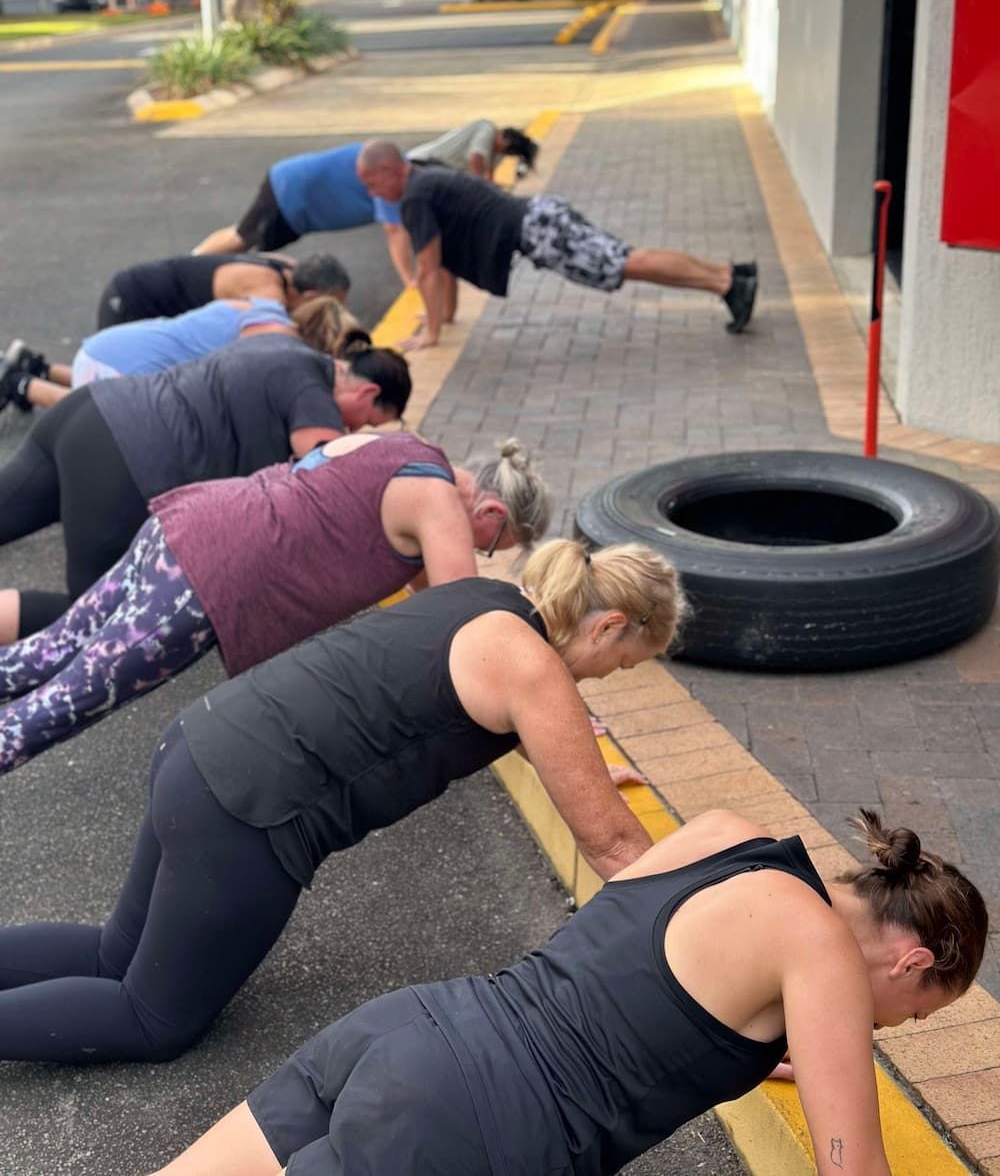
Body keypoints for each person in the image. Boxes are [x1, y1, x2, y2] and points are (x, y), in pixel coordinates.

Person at [0, 539, 683, 1064]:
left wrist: (584, 768)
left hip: (200, 745)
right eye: (621, 664)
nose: (605, 677)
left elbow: (510, 718)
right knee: (152, 1016)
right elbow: (615, 847)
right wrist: (703, 958)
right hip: (244, 812)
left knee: (112, 957)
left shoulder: (490, 595)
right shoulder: (531, 664)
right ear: (608, 626)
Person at [149, 808, 987, 1176]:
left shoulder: (732, 836)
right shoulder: (824, 954)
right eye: (914, 1015)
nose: (887, 1027)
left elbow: (631, 978)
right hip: (468, 1132)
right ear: (913, 961)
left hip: (415, 1029)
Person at [0, 434, 550, 773]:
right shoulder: (439, 505)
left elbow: (421, 587)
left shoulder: (404, 447)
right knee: (57, 710)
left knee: (46, 655)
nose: (481, 553)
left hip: (184, 525)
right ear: (494, 514)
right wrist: (542, 710)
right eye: (491, 547)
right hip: (204, 579)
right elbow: (465, 629)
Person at [0, 334, 410, 638]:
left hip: (90, 411)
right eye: (366, 421)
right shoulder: (313, 393)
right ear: (368, 391)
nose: (354, 429)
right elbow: (334, 476)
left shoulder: (287, 347)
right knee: (92, 615)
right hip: (124, 460)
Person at [356, 139, 759, 351]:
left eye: (373, 183)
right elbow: (442, 267)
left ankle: (727, 284)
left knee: (627, 262)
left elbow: (428, 268)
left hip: (538, 230)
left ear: (391, 170)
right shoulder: (425, 175)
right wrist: (443, 318)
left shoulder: (414, 196)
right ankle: (730, 275)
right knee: (628, 258)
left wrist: (431, 334)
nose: (374, 194)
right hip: (540, 215)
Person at [0, 291, 361, 414]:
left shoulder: (264, 307)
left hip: (108, 346)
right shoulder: (277, 340)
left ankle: (40, 367)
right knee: (94, 416)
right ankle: (19, 382)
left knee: (93, 384)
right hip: (117, 365)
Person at [191, 141, 413, 295]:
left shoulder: (394, 166)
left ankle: (198, 269)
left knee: (245, 238)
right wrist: (409, 280)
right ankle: (190, 266)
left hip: (299, 198)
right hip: (289, 190)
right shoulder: (388, 173)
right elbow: (395, 231)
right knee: (242, 237)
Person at [95, 251, 350, 331]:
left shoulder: (288, 267)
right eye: (332, 307)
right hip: (131, 301)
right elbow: (274, 343)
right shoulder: (266, 293)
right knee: (107, 388)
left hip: (146, 287)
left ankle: (52, 375)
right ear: (311, 297)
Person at [407, 120, 539, 181]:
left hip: (434, 169)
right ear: (506, 140)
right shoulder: (487, 129)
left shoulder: (492, 153)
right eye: (506, 151)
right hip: (423, 163)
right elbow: (475, 158)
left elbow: (488, 179)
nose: (502, 154)